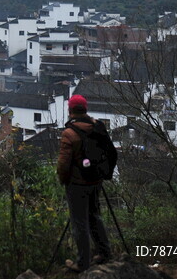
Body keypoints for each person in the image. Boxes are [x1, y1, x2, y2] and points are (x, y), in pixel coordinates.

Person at [57, 94, 112, 273]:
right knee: (95, 216)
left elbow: (64, 164)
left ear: (70, 110)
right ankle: (104, 253)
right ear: (85, 109)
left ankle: (83, 263)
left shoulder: (69, 133)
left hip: (77, 184)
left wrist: (64, 180)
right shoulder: (97, 127)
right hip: (96, 180)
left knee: (79, 222)